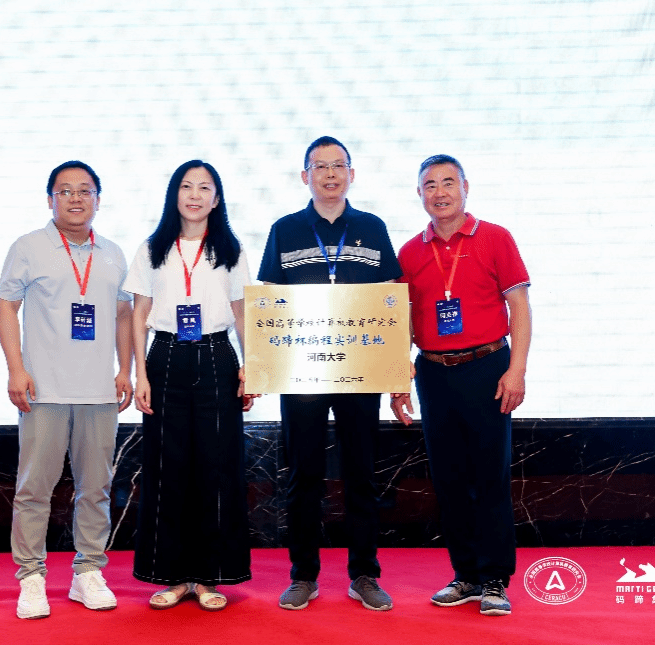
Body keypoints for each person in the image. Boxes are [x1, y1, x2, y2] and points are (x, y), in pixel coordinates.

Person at [257, 136, 402, 611]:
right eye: (320, 166)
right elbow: (269, 301)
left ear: (352, 174)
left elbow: (392, 297)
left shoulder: (373, 228)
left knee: (361, 473)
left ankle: (364, 574)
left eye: (339, 165)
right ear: (306, 176)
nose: (330, 174)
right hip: (302, 371)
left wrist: (397, 369)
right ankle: (304, 575)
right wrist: (262, 367)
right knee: (303, 474)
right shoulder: (285, 230)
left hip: (361, 368)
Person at [391, 154, 532, 616]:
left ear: (465, 187)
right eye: (430, 185)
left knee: (489, 476)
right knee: (448, 478)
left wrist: (517, 370)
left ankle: (495, 579)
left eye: (448, 182)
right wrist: (397, 380)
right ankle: (466, 574)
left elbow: (520, 307)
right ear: (419, 194)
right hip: (434, 372)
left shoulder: (495, 237)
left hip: (487, 367)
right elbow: (400, 321)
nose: (440, 192)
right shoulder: (410, 252)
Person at [0, 160, 134, 619]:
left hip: (99, 392)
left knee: (96, 488)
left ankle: (87, 572)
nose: (76, 198)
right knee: (34, 489)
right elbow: (6, 308)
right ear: (50, 199)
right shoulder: (28, 247)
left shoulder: (113, 253)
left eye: (85, 190)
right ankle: (31, 577)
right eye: (65, 190)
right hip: (44, 390)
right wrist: (16, 370)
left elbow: (123, 315)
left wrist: (126, 370)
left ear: (98, 198)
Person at [125, 160, 253, 611]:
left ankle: (210, 576)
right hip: (165, 357)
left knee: (217, 467)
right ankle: (172, 576)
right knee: (168, 468)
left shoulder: (230, 249)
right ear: (174, 195)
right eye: (186, 186)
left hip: (218, 357)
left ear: (216, 199)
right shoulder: (152, 248)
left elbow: (241, 312)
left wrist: (251, 366)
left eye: (204, 188)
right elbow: (139, 313)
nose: (195, 195)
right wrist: (141, 374)